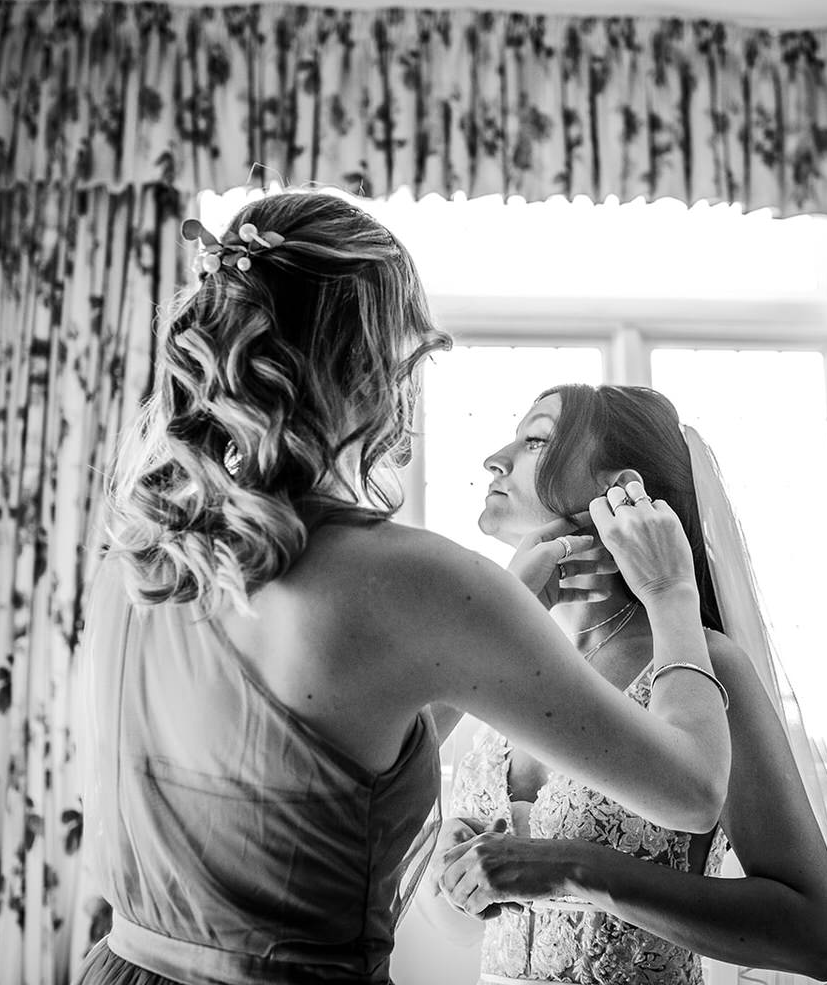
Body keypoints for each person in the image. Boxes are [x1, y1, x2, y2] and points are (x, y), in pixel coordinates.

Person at [74, 191, 734, 985]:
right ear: (373, 365)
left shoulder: (140, 555)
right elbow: (695, 791)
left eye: (535, 442)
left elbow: (313, 759)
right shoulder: (418, 583)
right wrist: (670, 597)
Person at [421, 385, 827, 984]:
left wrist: (572, 867)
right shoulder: (499, 667)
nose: (495, 456)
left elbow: (816, 939)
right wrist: (458, 875)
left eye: (535, 439)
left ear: (623, 491)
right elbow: (462, 926)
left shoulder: (704, 668)